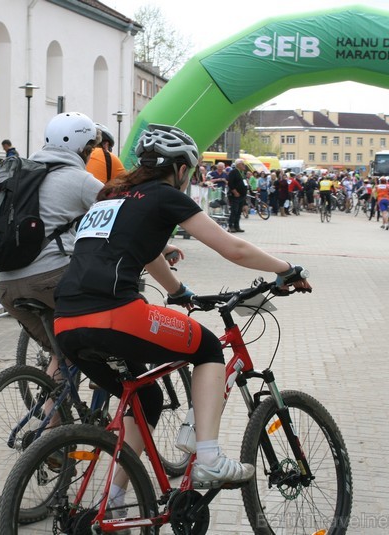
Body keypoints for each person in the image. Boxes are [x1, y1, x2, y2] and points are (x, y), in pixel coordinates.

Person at [54, 124, 311, 493]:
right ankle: (208, 459)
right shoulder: (164, 195)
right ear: (179, 169)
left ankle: (113, 500)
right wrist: (286, 270)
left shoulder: (111, 196)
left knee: (146, 398)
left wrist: (177, 292)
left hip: (66, 323)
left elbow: (145, 254)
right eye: (188, 170)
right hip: (114, 313)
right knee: (207, 348)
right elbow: (233, 248)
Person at [0, 112, 103, 385]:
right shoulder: (80, 180)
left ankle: (45, 422)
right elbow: (126, 218)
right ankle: (56, 418)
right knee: (104, 323)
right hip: (50, 280)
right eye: (91, 148)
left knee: (64, 351)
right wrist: (162, 247)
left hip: (6, 285)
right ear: (85, 148)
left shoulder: (21, 175)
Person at [227, 158, 248, 232]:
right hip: (235, 196)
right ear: (238, 164)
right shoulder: (233, 172)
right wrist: (235, 192)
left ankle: (237, 226)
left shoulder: (242, 173)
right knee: (234, 211)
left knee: (239, 212)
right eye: (242, 164)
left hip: (242, 196)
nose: (244, 165)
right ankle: (230, 226)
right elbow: (230, 183)